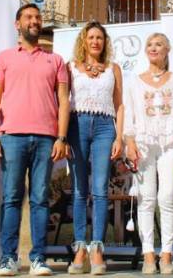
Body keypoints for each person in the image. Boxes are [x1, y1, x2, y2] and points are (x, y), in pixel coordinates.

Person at [0, 3, 70, 277]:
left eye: (37, 17)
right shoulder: (4, 58)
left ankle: (38, 259)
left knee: (40, 199)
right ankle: (8, 259)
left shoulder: (55, 60)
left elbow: (63, 101)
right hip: (11, 137)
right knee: (11, 198)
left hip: (46, 139)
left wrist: (61, 137)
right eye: (28, 17)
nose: (34, 21)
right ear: (17, 24)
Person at [123, 33, 173, 275]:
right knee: (147, 198)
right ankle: (149, 254)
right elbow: (129, 114)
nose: (154, 48)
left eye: (159, 44)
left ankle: (167, 254)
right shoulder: (133, 81)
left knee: (168, 197)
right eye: (150, 44)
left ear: (167, 50)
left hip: (171, 142)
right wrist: (129, 143)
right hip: (142, 143)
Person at [66, 22, 123, 275]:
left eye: (100, 37)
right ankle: (79, 248)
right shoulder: (71, 68)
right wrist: (62, 136)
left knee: (100, 189)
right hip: (77, 125)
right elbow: (63, 103)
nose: (95, 41)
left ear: (105, 42)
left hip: (104, 128)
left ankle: (97, 249)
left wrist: (120, 137)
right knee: (79, 189)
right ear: (84, 41)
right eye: (91, 37)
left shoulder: (113, 69)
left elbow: (119, 105)